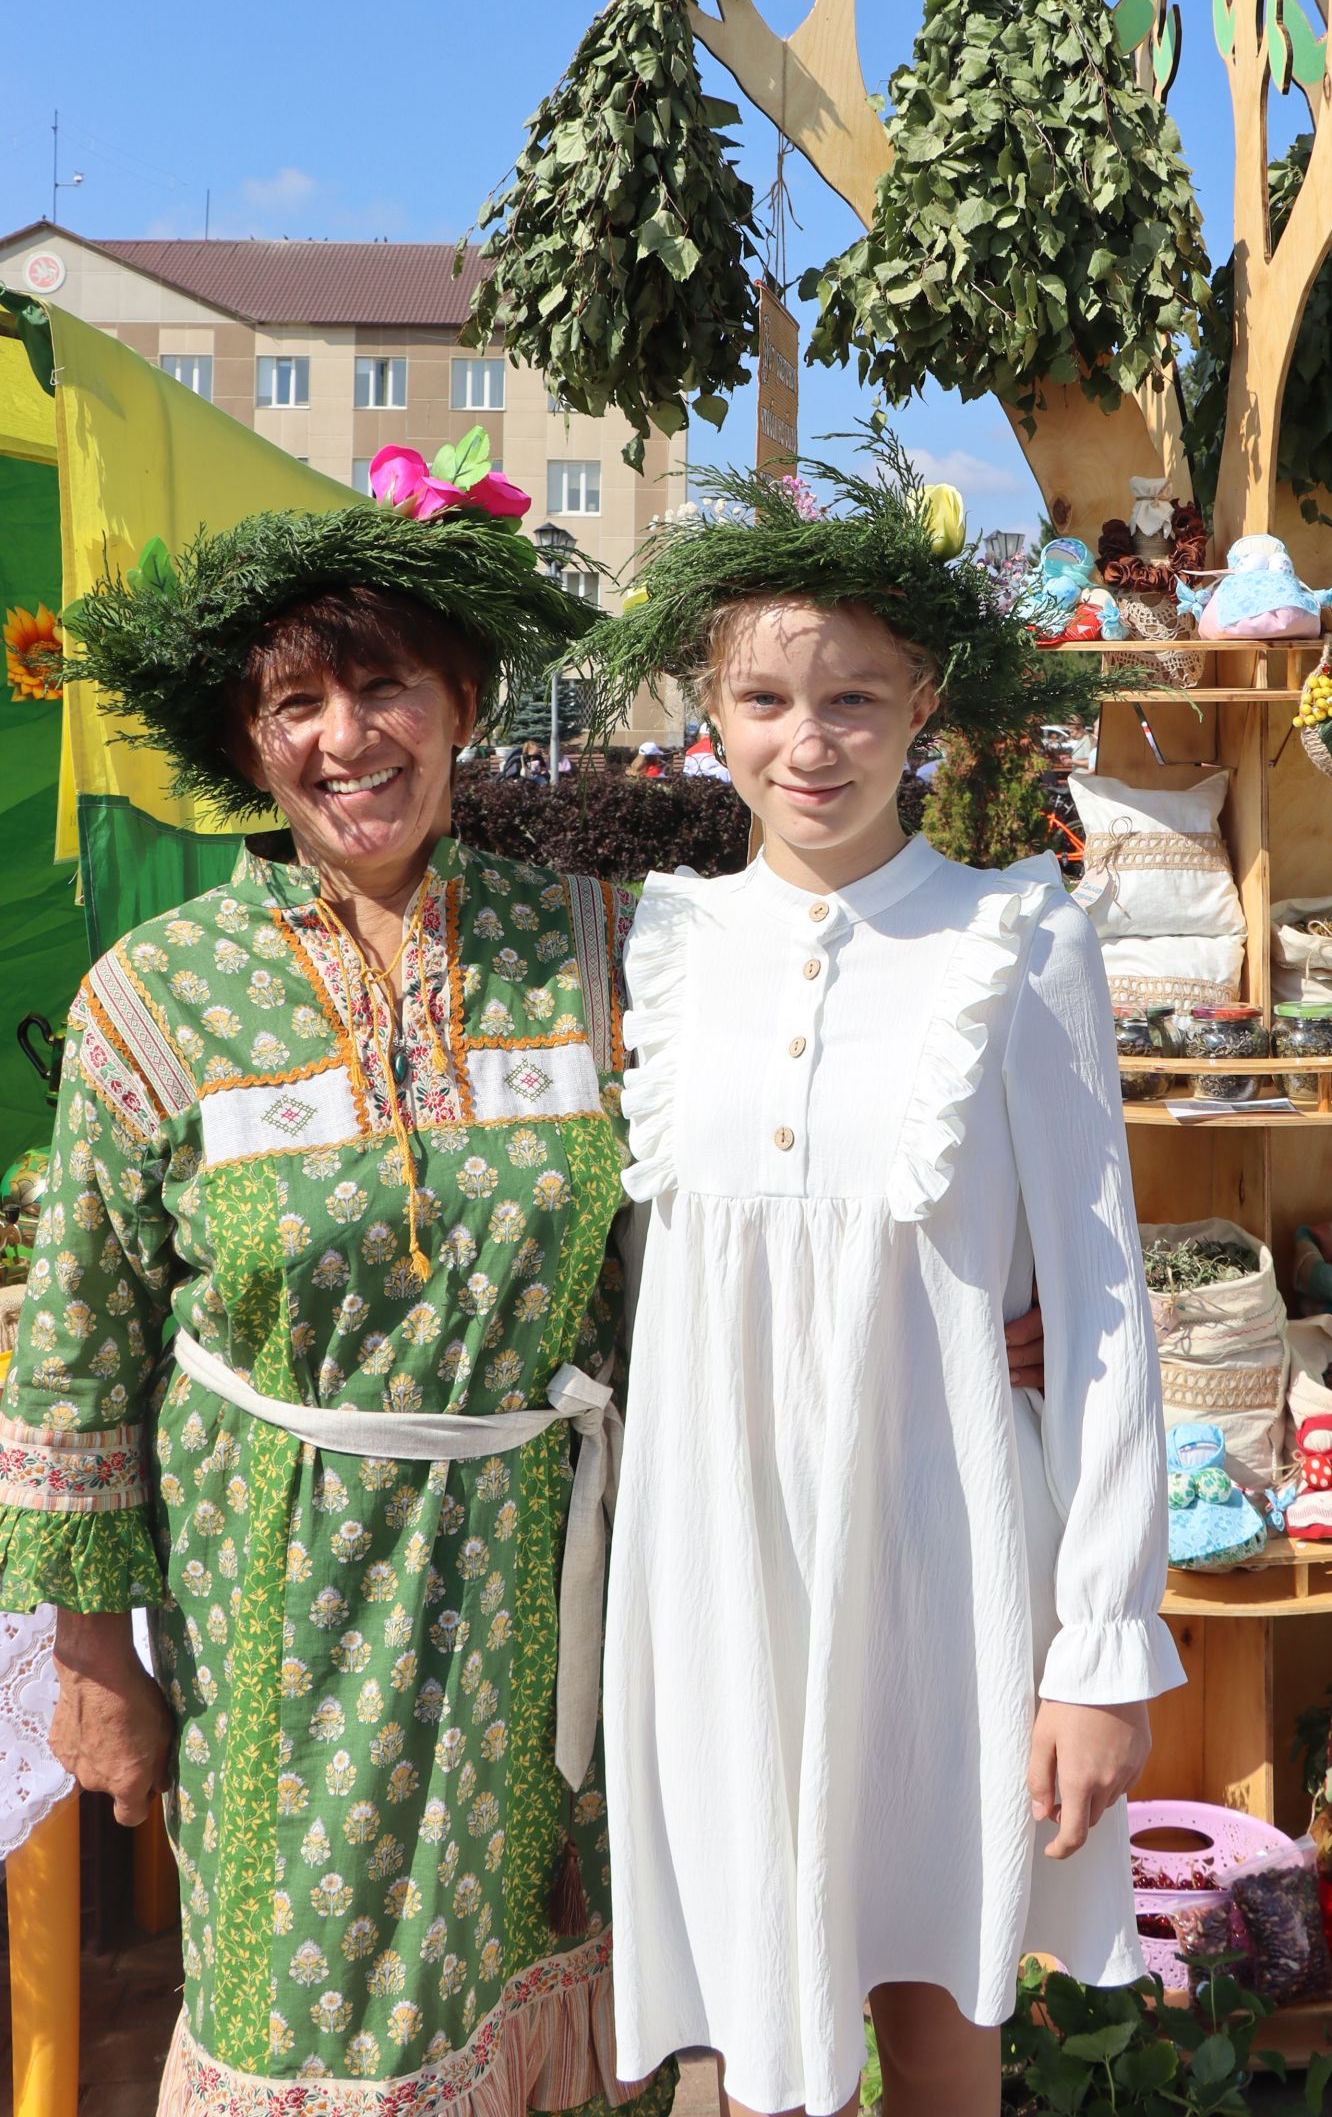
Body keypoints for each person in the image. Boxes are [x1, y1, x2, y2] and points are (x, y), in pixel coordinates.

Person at [0, 466, 1044, 2117]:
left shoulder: (603, 945)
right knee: (305, 2010)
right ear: (247, 742)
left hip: (565, 1584)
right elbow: (75, 1353)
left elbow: (767, 1151)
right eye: (297, 702)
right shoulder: (160, 1000)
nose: (348, 738)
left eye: (385, 687)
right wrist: (91, 1661)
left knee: (585, 1980)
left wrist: (972, 1295)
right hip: (281, 1608)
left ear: (461, 705)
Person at [595, 436, 1182, 2117]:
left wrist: (1100, 1644)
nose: (810, 741)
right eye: (767, 699)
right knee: (738, 2016)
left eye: (855, 697)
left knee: (937, 2004)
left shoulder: (1017, 935)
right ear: (710, 707)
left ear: (924, 701)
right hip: (710, 1562)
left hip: (940, 1557)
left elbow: (1099, 1299)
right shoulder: (664, 943)